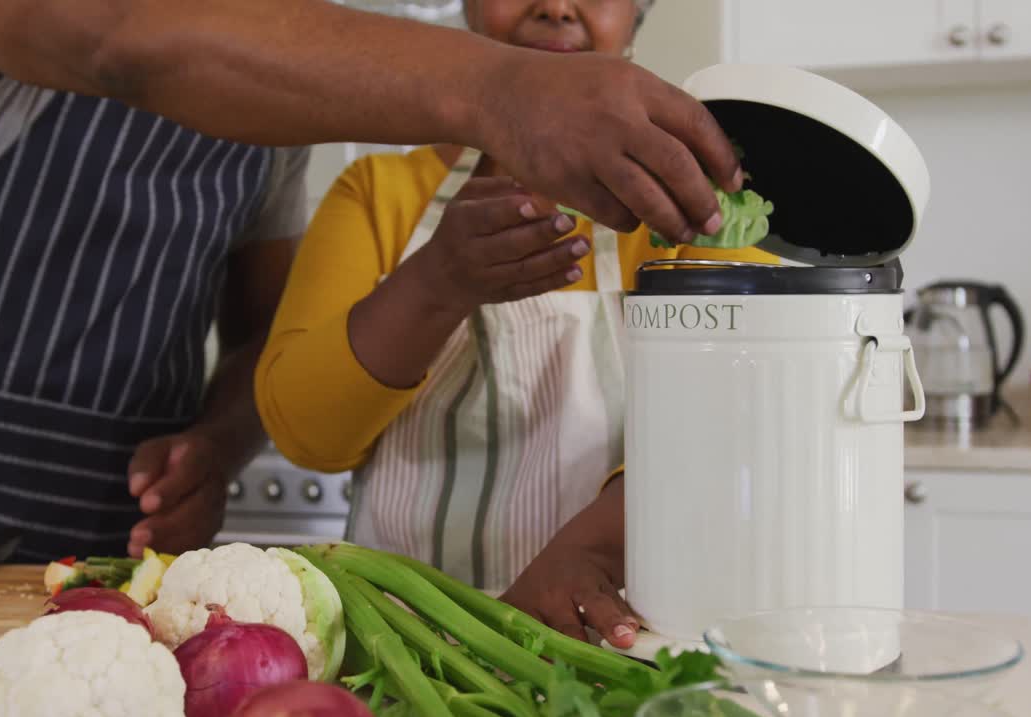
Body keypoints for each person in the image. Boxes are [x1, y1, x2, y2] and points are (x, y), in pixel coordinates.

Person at [0, 0, 744, 562]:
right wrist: (506, 93)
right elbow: (129, 38)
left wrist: (221, 442)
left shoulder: (270, 91)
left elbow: (258, 337)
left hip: (131, 518)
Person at [256, 0, 777, 648]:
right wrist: (436, 281)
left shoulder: (696, 208)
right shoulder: (376, 193)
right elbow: (307, 433)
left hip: (630, 646)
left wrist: (595, 546)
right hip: (412, 655)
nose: (557, 8)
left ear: (640, 14)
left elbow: (754, 412)